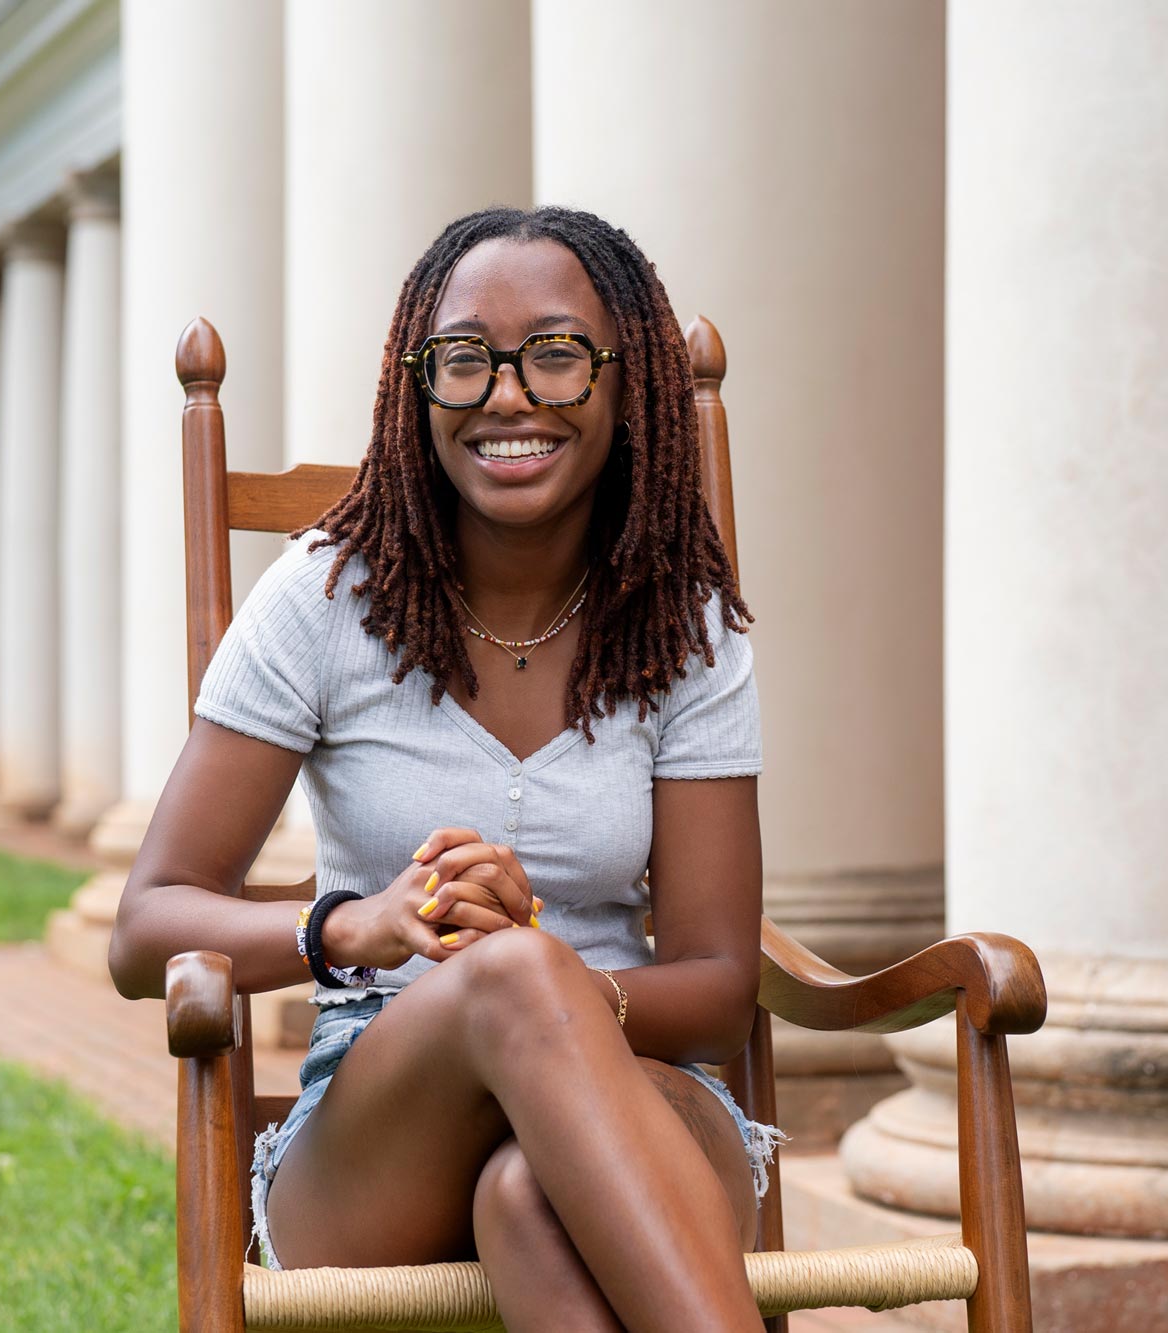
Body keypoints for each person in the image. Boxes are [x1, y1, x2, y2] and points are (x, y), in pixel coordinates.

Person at [108, 206, 777, 1332]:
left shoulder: (683, 626)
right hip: (378, 1128)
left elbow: (715, 991)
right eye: (463, 360)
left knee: (530, 1189)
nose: (506, 396)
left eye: (556, 352)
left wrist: (562, 988)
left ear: (631, 385)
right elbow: (144, 930)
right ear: (415, 389)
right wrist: (352, 929)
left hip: (649, 1089)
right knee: (512, 977)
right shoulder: (324, 603)